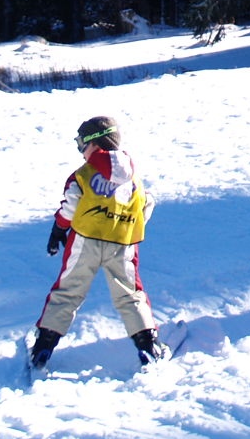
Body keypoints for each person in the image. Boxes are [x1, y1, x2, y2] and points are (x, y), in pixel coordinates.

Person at [30, 115, 169, 370]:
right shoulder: (133, 178)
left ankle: (42, 349)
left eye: (82, 143)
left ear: (95, 143)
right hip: (122, 244)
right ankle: (148, 345)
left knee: (68, 291)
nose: (81, 151)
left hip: (84, 242)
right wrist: (123, 223)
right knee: (129, 295)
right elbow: (146, 205)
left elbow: (70, 206)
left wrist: (58, 230)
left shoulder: (82, 175)